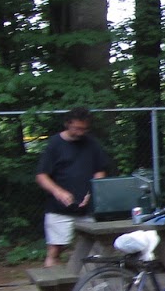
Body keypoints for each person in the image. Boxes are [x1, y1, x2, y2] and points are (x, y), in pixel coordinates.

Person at [35, 107, 112, 267]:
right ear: (67, 124)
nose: (80, 132)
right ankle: (55, 287)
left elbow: (99, 170)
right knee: (55, 250)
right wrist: (59, 192)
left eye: (84, 129)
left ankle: (91, 287)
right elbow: (41, 176)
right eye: (77, 128)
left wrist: (93, 192)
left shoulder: (91, 143)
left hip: (87, 208)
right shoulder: (55, 144)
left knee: (95, 251)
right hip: (59, 209)